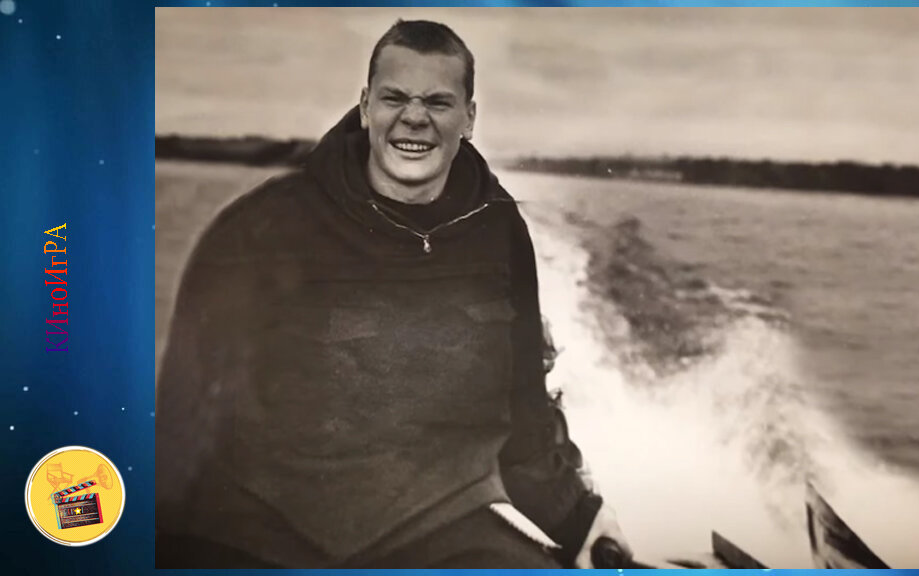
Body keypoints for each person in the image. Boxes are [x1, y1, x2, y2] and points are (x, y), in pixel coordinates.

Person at [155, 19, 631, 569]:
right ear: (365, 107)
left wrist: (576, 517)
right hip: (261, 530)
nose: (414, 117)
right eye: (395, 98)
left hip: (439, 524)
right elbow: (184, 425)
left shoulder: (498, 228)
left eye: (438, 101)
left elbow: (522, 411)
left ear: (469, 118)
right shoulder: (258, 228)